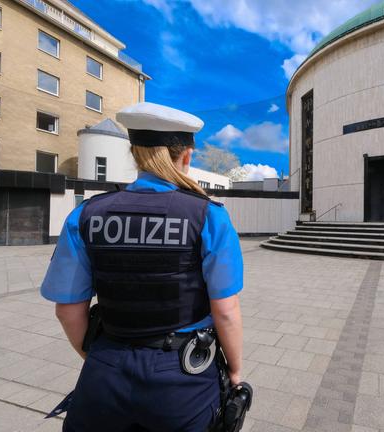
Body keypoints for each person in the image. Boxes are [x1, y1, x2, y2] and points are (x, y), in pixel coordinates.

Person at [40, 102, 244, 432]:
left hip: (105, 368)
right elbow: (226, 311)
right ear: (186, 157)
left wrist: (100, 359)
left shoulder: (87, 214)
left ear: (135, 154)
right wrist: (235, 371)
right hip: (183, 376)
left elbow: (67, 310)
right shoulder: (208, 216)